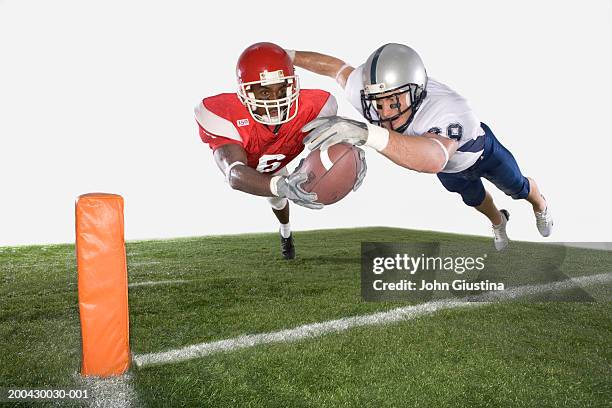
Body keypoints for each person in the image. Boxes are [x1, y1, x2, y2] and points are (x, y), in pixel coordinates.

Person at [289, 43, 552, 250]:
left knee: (518, 187)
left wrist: (368, 134)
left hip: (483, 153)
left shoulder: (449, 109)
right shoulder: (369, 91)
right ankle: (499, 222)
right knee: (475, 199)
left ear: (416, 91)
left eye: (393, 101)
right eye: (377, 102)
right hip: (452, 171)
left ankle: (540, 206)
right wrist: (287, 56)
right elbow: (337, 69)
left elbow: (435, 158)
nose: (384, 111)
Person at [195, 42, 365, 259]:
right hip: (252, 165)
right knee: (277, 194)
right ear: (245, 91)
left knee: (278, 202)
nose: (275, 100)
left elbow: (332, 140)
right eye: (264, 92)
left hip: (278, 162)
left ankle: (285, 233)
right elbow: (234, 173)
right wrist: (280, 185)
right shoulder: (222, 114)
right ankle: (284, 228)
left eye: (281, 89)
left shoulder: (314, 107)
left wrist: (351, 151)